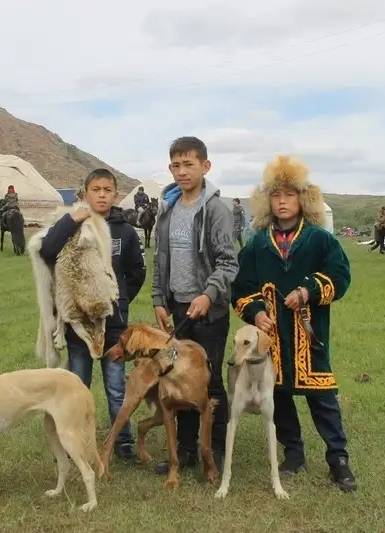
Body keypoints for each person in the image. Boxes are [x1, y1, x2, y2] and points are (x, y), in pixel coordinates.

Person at [231, 154, 356, 492]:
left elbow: (340, 277)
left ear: (303, 198)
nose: (282, 201)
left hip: (309, 337)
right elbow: (241, 289)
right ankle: (294, 454)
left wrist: (308, 289)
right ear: (267, 201)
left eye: (289, 194)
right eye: (275, 195)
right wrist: (257, 312)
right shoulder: (257, 244)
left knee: (323, 397)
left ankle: (338, 460)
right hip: (273, 339)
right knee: (280, 394)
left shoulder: (320, 239)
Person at [38, 168, 146, 460]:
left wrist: (119, 301)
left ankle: (122, 442)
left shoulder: (124, 230)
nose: (101, 195)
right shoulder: (73, 224)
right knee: (77, 383)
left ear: (115, 194)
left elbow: (137, 271)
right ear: (85, 193)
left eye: (107, 190)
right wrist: (70, 220)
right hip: (80, 325)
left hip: (113, 325)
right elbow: (47, 251)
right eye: (95, 189)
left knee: (115, 386)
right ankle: (75, 439)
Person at [151, 136, 239, 475]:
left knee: (210, 381)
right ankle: (186, 450)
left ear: (205, 166)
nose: (181, 171)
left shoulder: (216, 210)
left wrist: (208, 294)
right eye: (175, 165)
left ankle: (215, 448)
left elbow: (228, 262)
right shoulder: (168, 209)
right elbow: (160, 260)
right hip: (177, 308)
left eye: (188, 164)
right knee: (178, 378)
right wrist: (159, 298)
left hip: (209, 310)